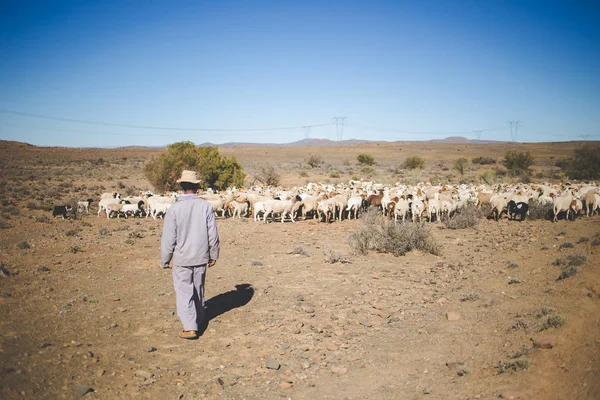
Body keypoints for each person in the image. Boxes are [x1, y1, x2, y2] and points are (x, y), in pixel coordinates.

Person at [160, 170, 220, 339]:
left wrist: (165, 259)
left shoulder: (175, 208)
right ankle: (200, 319)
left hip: (182, 258)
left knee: (184, 291)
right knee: (198, 289)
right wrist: (213, 254)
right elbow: (212, 233)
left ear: (181, 186)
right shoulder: (205, 206)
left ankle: (189, 327)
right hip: (201, 256)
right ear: (197, 186)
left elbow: (168, 238)